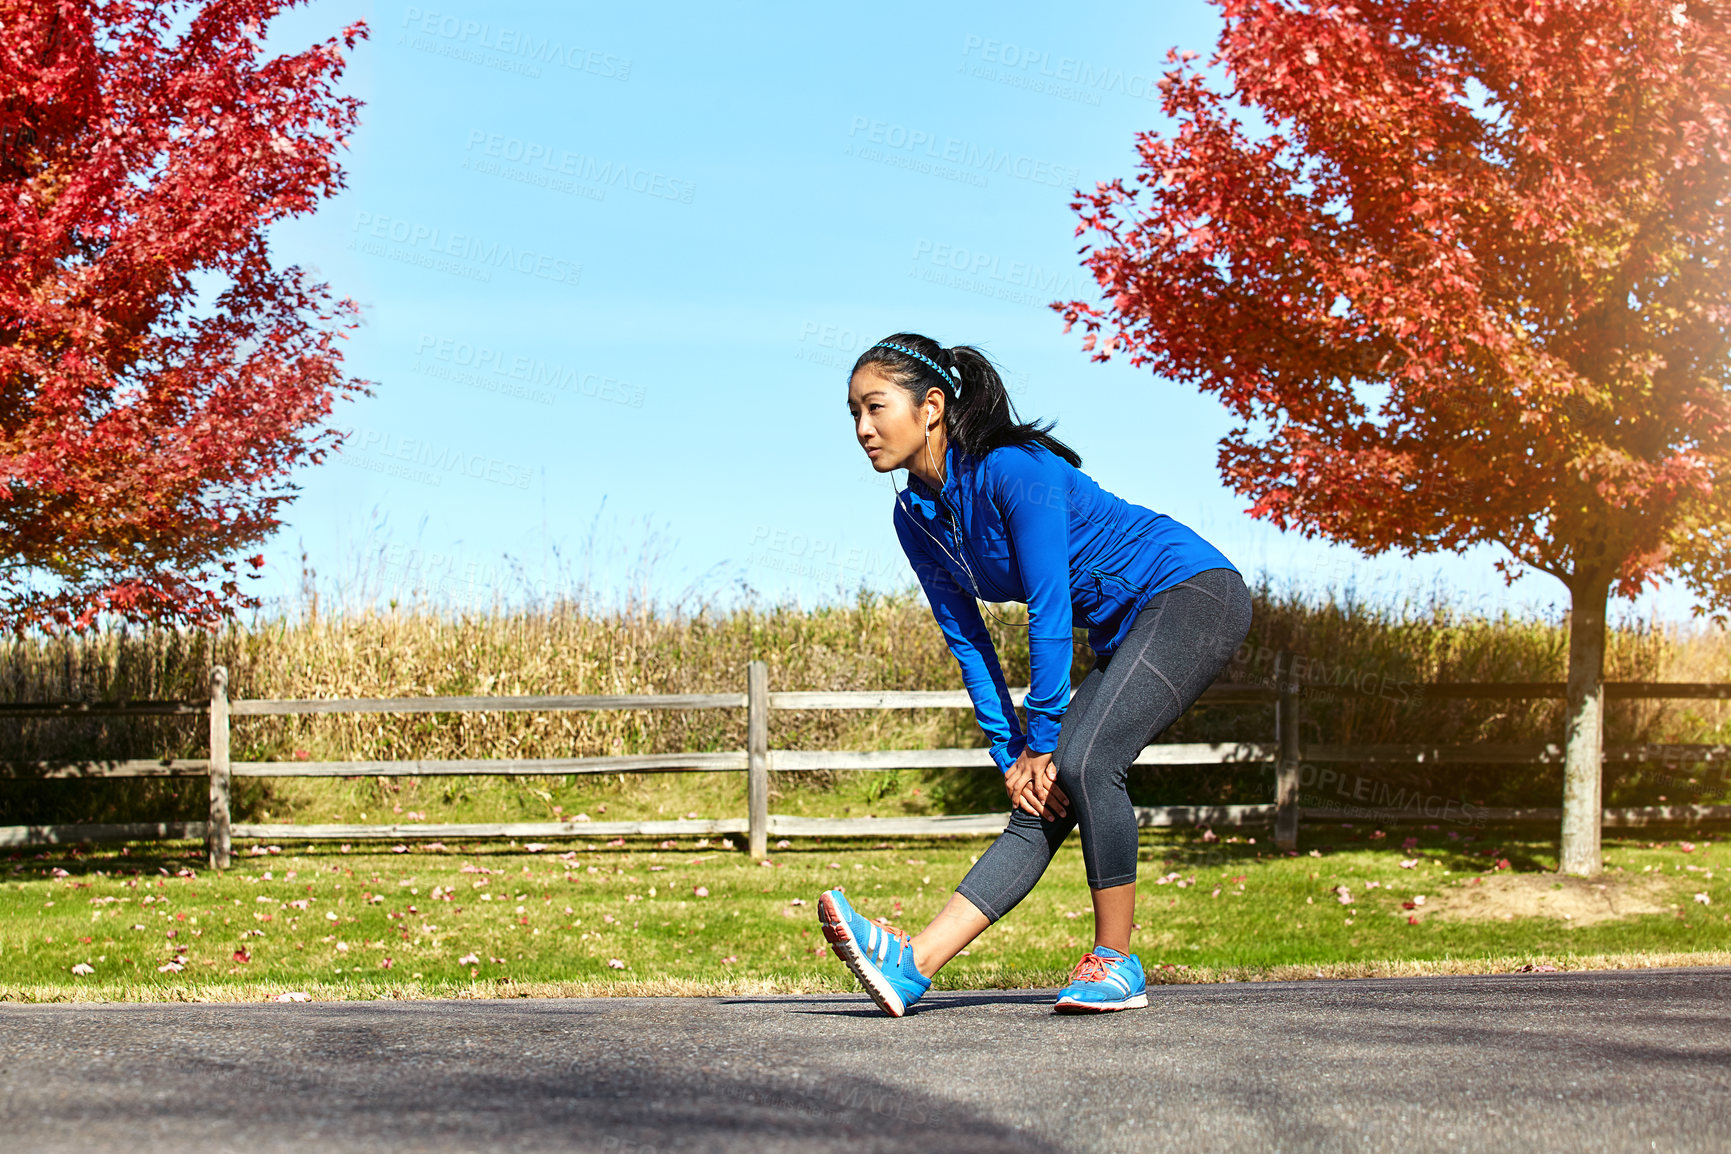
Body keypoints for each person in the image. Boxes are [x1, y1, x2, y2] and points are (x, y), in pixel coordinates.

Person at [817, 333, 1254, 1016]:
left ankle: (1115, 962)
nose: (862, 429)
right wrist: (1012, 757)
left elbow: (1048, 612)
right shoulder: (915, 517)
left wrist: (1044, 738)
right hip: (1128, 627)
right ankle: (912, 964)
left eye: (875, 407)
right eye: (852, 415)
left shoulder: (1015, 470)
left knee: (1081, 763)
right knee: (1042, 796)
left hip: (1191, 593)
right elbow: (966, 641)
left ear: (930, 406)